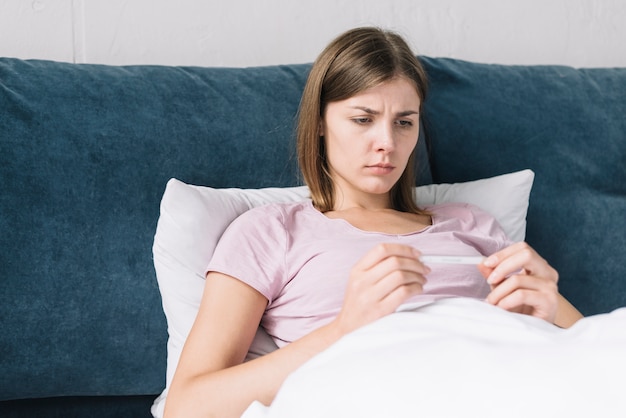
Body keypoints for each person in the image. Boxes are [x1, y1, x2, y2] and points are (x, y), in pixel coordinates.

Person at [164, 27, 583, 418]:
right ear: (320, 124)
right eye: (363, 119)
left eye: (404, 122)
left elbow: (598, 354)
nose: (387, 142)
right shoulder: (270, 232)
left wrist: (551, 315)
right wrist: (347, 327)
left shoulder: (471, 223)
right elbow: (187, 404)